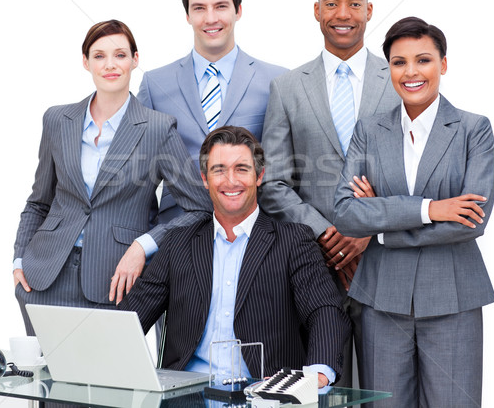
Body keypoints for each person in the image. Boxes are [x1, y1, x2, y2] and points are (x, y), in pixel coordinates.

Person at [333, 17, 494, 407]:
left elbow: (473, 220)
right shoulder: (369, 130)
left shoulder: (474, 130)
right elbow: (345, 212)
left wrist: (382, 227)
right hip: (381, 300)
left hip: (452, 298)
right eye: (398, 62)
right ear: (388, 68)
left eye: (423, 60)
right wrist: (432, 208)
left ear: (443, 64)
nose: (411, 73)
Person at [13, 20, 212, 336]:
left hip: (113, 280)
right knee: (47, 382)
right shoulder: (56, 120)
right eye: (99, 56)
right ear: (85, 62)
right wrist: (19, 259)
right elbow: (39, 202)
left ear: (135, 60)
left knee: (105, 379)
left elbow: (200, 207)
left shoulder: (157, 129)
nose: (110, 65)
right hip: (45, 278)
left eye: (119, 55)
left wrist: (144, 245)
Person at [119, 126, 351, 387]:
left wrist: (317, 373)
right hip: (188, 398)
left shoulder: (294, 241)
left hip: (263, 396)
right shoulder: (177, 244)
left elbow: (324, 310)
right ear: (205, 179)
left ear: (259, 176)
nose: (231, 180)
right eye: (219, 170)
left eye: (242, 168)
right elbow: (129, 321)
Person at [259, 0, 400, 387]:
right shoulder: (286, 88)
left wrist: (367, 231)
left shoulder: (398, 80)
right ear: (317, 11)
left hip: (383, 266)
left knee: (384, 391)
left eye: (354, 3)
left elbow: (414, 176)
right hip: (313, 268)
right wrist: (327, 234)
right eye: (333, 3)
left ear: (370, 10)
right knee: (319, 390)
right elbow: (273, 183)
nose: (344, 13)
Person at [138, 0, 287, 224]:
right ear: (187, 15)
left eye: (220, 6)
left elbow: (284, 172)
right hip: (175, 231)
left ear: (238, 11)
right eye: (199, 8)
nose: (210, 18)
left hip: (255, 232)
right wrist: (148, 241)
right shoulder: (155, 84)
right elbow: (141, 177)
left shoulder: (277, 82)